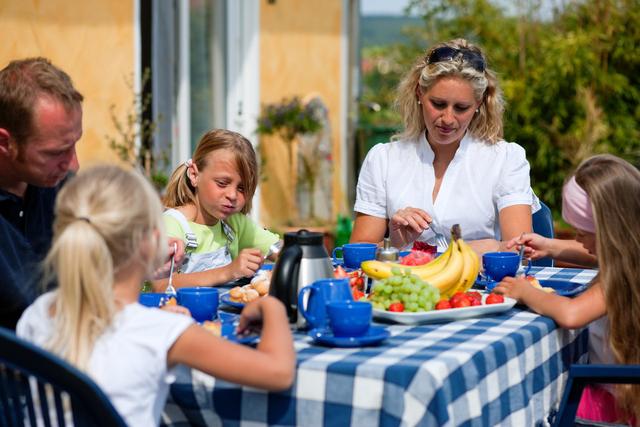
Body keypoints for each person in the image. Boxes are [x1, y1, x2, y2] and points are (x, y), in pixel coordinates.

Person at [16, 165, 295, 426]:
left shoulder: (36, 314)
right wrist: (272, 306)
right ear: (150, 242)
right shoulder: (163, 334)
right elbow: (279, 373)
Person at [0, 57, 183, 329]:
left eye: (74, 144)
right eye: (55, 152)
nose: (73, 164)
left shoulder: (60, 187)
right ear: (5, 142)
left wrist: (137, 254)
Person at [351, 39, 539, 255]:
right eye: (438, 104)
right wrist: (395, 242)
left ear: (478, 104)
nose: (448, 119)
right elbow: (358, 253)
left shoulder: (506, 158)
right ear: (419, 94)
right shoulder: (383, 159)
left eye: (461, 108)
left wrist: (435, 256)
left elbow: (521, 251)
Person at [494, 154, 640, 424]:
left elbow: (572, 315)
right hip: (620, 391)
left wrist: (525, 292)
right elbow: (594, 254)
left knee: (532, 400)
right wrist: (550, 246)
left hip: (614, 404)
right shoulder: (632, 254)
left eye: (583, 233)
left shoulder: (622, 277)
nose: (579, 241)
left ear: (609, 233)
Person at [154, 129, 280, 290]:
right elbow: (153, 286)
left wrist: (288, 256)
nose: (232, 195)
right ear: (194, 175)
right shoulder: (172, 225)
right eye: (222, 183)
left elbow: (277, 247)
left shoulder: (234, 223)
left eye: (242, 188)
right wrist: (228, 271)